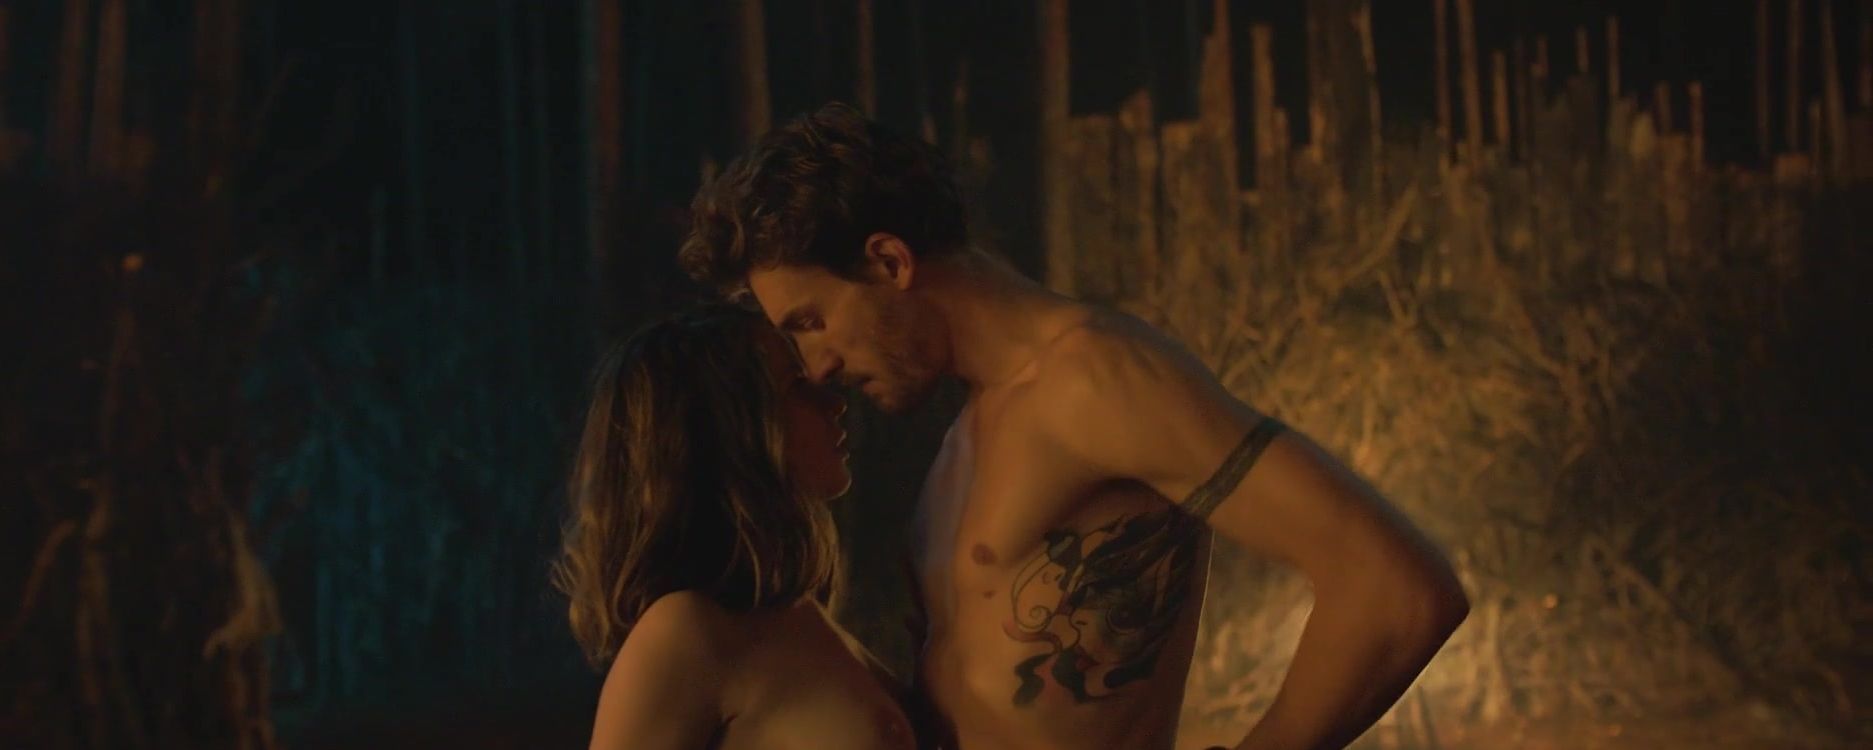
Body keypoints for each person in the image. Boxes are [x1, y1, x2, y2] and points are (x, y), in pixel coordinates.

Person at [678, 102, 1471, 750]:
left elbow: (1394, 587)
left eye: (811, 321)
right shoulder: (971, 429)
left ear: (889, 261)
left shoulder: (1096, 378)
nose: (815, 366)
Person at [552, 303, 924, 750]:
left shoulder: (798, 614)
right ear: (727, 431)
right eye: (796, 386)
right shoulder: (685, 631)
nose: (835, 403)